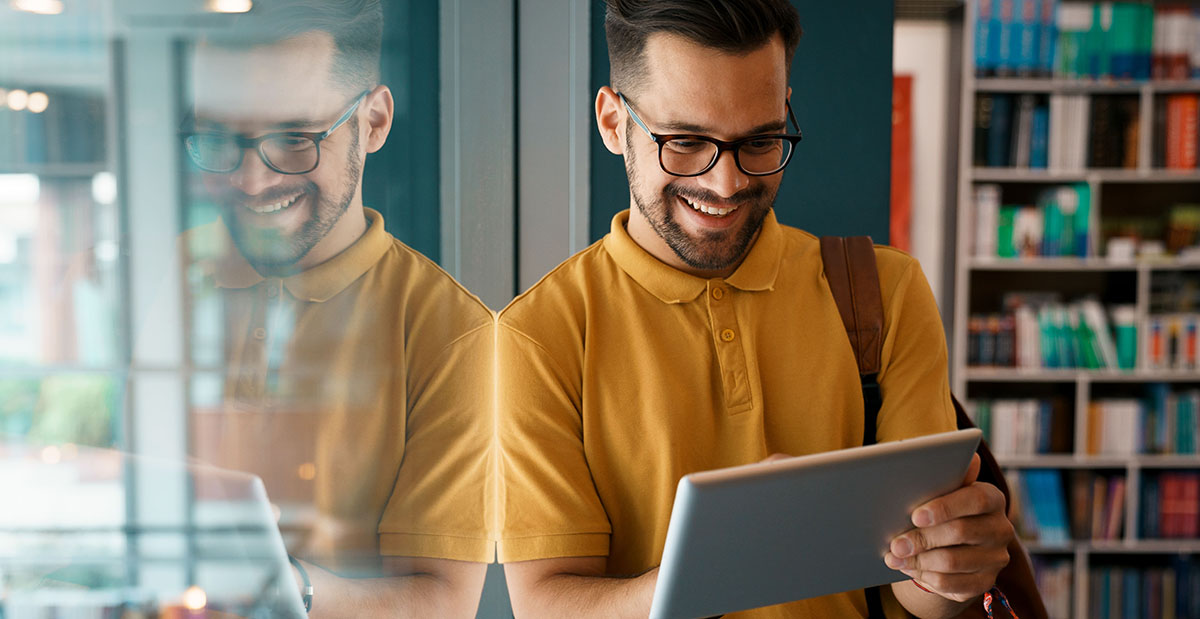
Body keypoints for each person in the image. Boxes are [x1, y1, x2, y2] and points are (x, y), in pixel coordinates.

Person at [496, 1, 1014, 617]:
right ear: (613, 122)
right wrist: (720, 560)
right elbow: (547, 603)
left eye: (761, 140)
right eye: (685, 142)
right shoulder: (538, 335)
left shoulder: (886, 290)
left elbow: (917, 590)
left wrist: (951, 571)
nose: (726, 184)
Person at [176, 1, 492, 615]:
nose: (250, 180)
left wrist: (280, 587)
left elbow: (444, 602)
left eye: (294, 139)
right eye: (217, 138)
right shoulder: (159, 273)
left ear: (373, 121)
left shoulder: (452, 332)